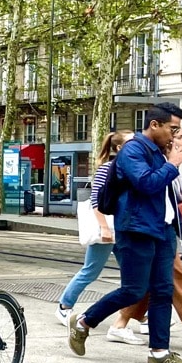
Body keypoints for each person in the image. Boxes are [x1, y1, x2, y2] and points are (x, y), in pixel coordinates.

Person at [69, 102, 182, 363]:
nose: (175, 134)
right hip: (136, 228)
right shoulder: (133, 150)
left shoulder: (162, 151)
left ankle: (160, 352)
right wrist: (172, 165)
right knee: (134, 290)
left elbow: (169, 194)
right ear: (155, 125)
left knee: (163, 291)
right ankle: (84, 322)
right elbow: (146, 183)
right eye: (172, 129)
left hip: (162, 229)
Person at [102, 129, 182, 353]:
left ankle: (124, 328)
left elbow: (177, 203)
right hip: (145, 233)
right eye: (179, 139)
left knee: (153, 288)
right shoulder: (146, 164)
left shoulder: (167, 166)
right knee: (176, 284)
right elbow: (112, 197)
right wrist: (105, 227)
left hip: (163, 232)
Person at [54, 131, 133, 326]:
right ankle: (64, 307)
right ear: (120, 148)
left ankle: (137, 313)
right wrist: (104, 227)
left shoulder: (129, 168)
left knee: (132, 274)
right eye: (133, 143)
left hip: (122, 228)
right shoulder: (107, 169)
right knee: (90, 270)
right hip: (107, 227)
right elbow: (96, 201)